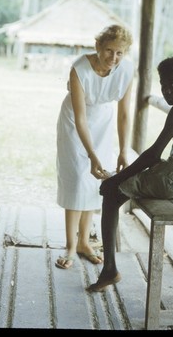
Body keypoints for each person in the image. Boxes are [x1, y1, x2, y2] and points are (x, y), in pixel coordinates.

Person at [87, 56, 173, 292]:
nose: (167, 91)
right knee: (120, 186)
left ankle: (109, 270)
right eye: (163, 85)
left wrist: (116, 179)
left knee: (110, 194)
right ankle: (109, 266)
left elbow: (153, 155)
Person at [55, 24, 135, 270]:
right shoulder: (79, 69)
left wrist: (123, 149)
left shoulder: (126, 70)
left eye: (119, 53)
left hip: (102, 122)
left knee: (95, 181)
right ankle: (70, 245)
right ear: (98, 47)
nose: (114, 58)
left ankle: (84, 243)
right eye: (109, 51)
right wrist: (92, 155)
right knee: (77, 179)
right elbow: (80, 118)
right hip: (74, 122)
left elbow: (123, 114)